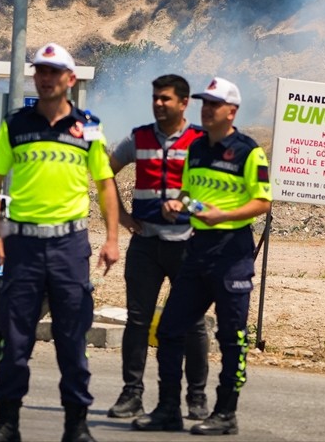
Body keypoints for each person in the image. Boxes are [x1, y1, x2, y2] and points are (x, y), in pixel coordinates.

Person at [0, 43, 120, 442]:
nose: (45, 78)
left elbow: (105, 184)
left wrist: (111, 237)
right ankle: (7, 423)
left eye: (54, 72)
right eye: (40, 71)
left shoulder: (88, 125)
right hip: (22, 246)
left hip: (69, 247)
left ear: (70, 80)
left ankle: (77, 424)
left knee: (72, 337)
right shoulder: (16, 124)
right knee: (15, 337)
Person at [133, 76, 271, 436]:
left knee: (232, 337)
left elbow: (263, 202)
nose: (206, 110)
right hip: (196, 250)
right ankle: (167, 409)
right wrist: (180, 203)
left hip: (232, 254)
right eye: (203, 103)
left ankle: (225, 413)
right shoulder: (196, 149)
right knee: (169, 329)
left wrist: (222, 215)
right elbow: (192, 193)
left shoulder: (248, 150)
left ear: (232, 111)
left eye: (213, 104)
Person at [105, 74, 210, 422]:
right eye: (155, 97)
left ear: (183, 103)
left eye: (165, 98)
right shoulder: (138, 138)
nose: (158, 103)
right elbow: (105, 174)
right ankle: (131, 394)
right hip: (145, 245)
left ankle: (196, 397)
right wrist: (120, 216)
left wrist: (188, 206)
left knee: (192, 323)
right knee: (137, 320)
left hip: (187, 245)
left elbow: (213, 191)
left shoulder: (201, 141)